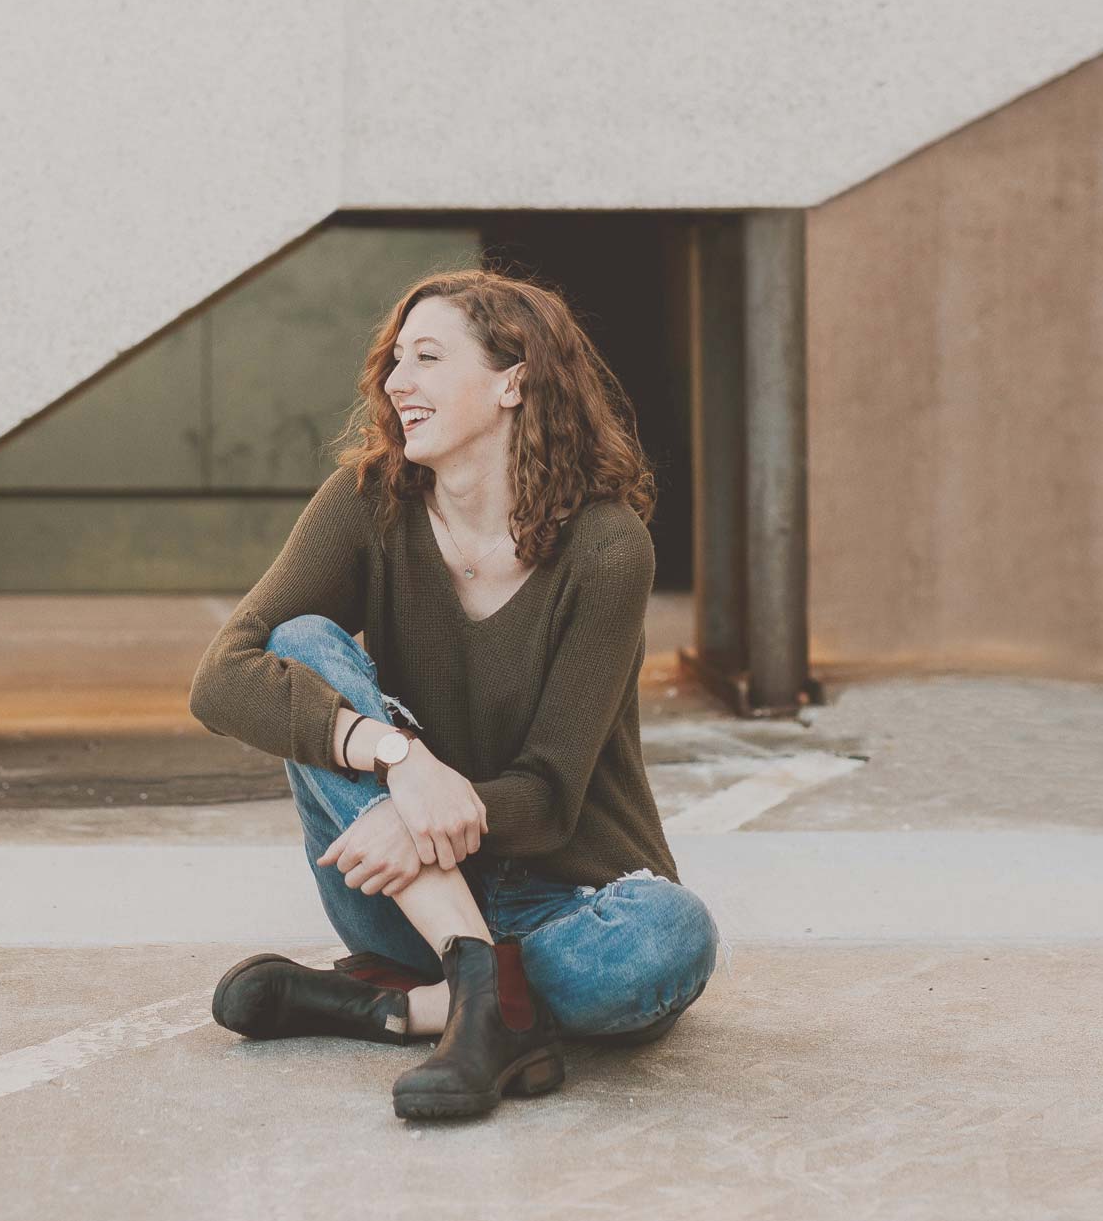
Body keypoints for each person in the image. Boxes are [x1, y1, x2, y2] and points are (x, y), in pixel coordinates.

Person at [186, 266, 723, 1121]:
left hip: (568, 901)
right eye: (396, 359)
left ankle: (413, 1004)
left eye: (428, 357)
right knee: (300, 645)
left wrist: (419, 812)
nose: (398, 381)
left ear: (514, 381)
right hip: (406, 902)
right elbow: (221, 676)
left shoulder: (606, 546)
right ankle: (475, 977)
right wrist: (395, 757)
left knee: (672, 936)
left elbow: (548, 798)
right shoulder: (369, 505)